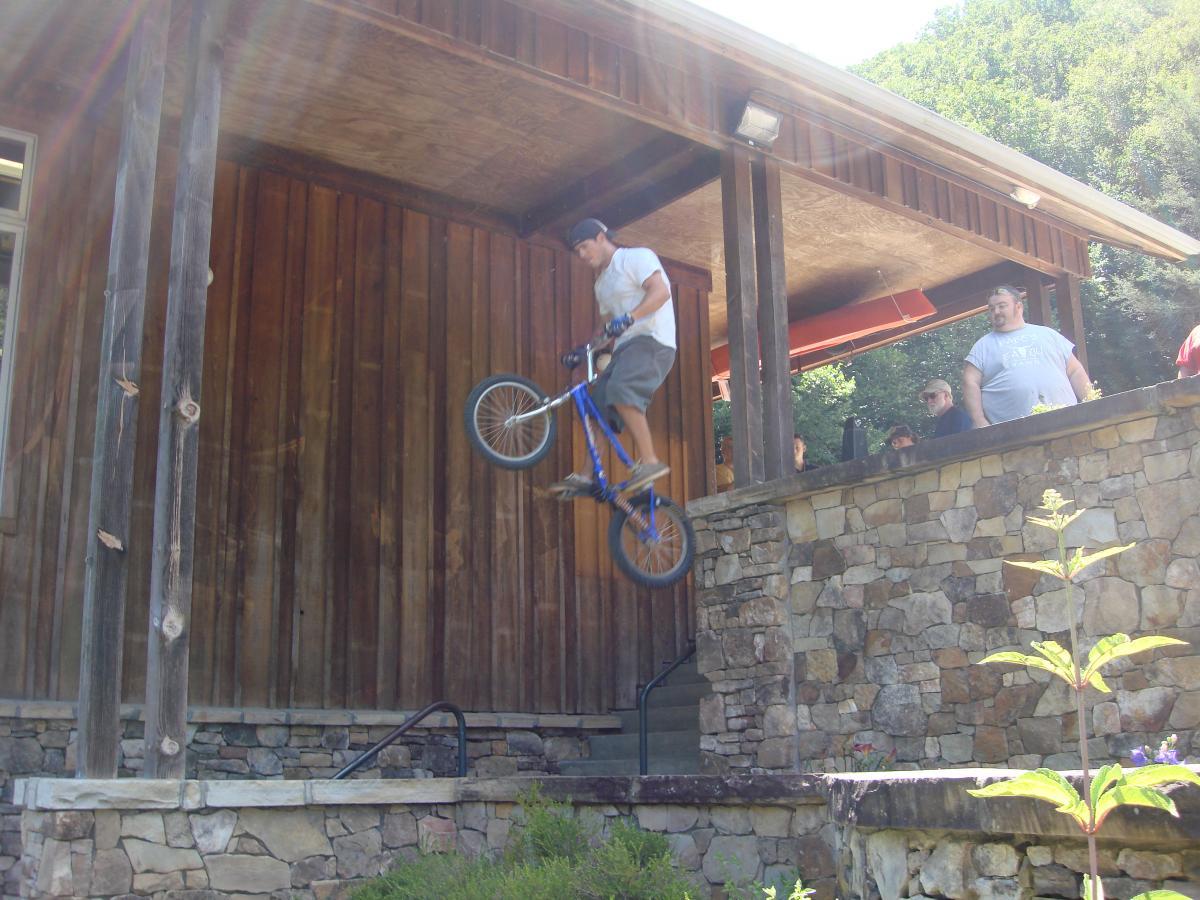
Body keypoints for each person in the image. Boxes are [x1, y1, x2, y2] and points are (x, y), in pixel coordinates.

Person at [549, 218, 676, 498]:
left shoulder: (636, 257)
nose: (582, 255)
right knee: (597, 408)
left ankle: (651, 462)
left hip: (654, 340)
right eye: (577, 251)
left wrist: (630, 317)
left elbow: (661, 292)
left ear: (601, 238)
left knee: (621, 390)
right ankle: (585, 475)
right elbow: (608, 327)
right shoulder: (601, 284)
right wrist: (586, 350)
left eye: (584, 247)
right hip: (626, 348)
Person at [962, 285, 1091, 427]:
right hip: (1014, 434)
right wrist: (979, 420)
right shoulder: (982, 346)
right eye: (992, 308)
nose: (996, 312)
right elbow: (969, 382)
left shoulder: (1048, 334)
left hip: (1067, 423)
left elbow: (1075, 370)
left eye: (1002, 306)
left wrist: (1092, 401)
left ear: (1018, 307)